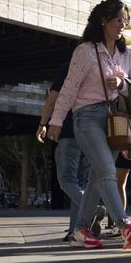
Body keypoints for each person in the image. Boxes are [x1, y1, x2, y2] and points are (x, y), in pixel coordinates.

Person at [47, 0, 131, 250]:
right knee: (106, 171)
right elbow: (68, 89)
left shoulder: (126, 56)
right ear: (104, 20)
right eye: (118, 20)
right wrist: (55, 121)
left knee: (96, 176)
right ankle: (124, 225)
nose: (122, 25)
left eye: (126, 21)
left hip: (115, 120)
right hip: (86, 117)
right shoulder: (86, 51)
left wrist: (121, 85)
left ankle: (80, 228)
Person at [38, 63, 93, 242]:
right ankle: (75, 230)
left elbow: (53, 97)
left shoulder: (70, 67)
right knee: (81, 183)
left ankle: (92, 208)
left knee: (66, 180)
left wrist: (43, 124)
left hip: (69, 131)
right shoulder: (98, 65)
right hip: (92, 133)